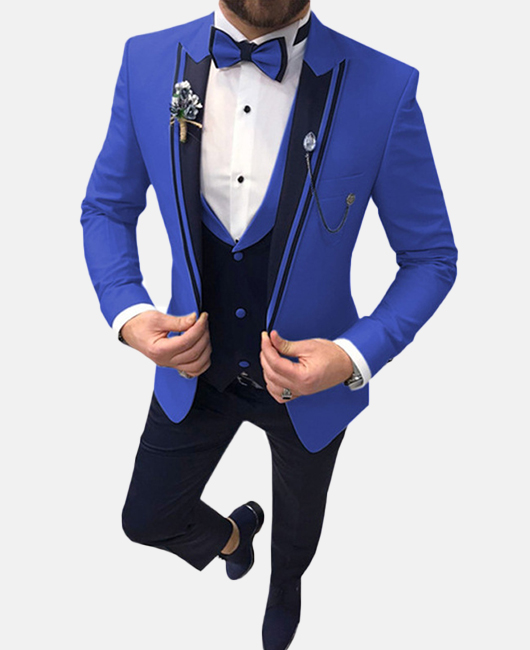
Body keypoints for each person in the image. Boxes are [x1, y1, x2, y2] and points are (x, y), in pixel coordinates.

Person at [80, 1, 457, 648]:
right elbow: (107, 208)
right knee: (146, 518)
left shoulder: (386, 86)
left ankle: (286, 591)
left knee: (299, 535)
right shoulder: (146, 61)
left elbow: (430, 257)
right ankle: (234, 537)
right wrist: (130, 313)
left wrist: (352, 356)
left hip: (312, 387)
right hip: (193, 371)